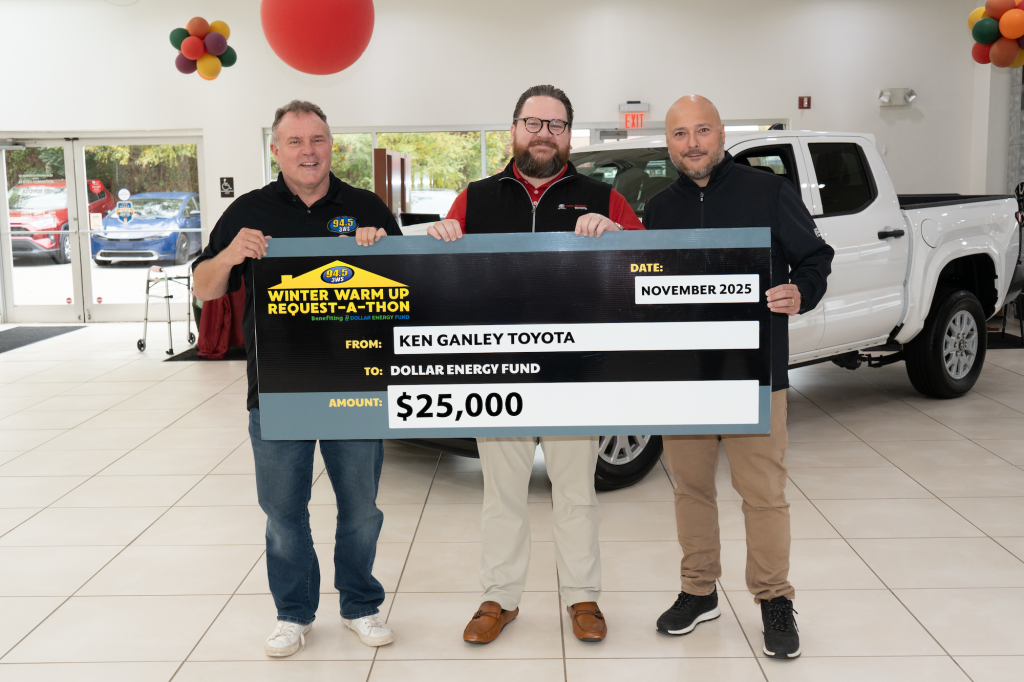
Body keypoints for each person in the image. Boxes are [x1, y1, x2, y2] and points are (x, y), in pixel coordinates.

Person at [428, 84, 644, 645]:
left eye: (555, 125)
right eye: (533, 122)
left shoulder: (603, 195)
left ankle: (583, 597)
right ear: (514, 129)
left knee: (576, 491)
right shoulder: (474, 198)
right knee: (501, 495)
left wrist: (620, 235)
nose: (543, 133)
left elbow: (652, 262)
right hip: (498, 371)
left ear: (569, 135)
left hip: (578, 373)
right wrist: (442, 237)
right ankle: (499, 597)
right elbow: (441, 280)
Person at [192, 100, 401, 658]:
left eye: (318, 140)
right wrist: (232, 253)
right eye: (296, 141)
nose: (309, 151)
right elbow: (205, 287)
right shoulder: (249, 210)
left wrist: (383, 250)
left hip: (355, 387)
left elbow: (408, 286)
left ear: (332, 145)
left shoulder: (365, 206)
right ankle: (293, 613)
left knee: (362, 510)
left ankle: (360, 604)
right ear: (276, 150)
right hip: (278, 390)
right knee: (284, 514)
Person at [643, 95, 834, 659]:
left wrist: (803, 291)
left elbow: (815, 257)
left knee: (763, 493)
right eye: (680, 134)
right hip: (686, 379)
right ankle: (698, 591)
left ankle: (774, 597)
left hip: (756, 373)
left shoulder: (767, 191)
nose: (693, 143)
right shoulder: (658, 209)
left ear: (721, 133)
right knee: (691, 489)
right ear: (669, 143)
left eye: (702, 130)